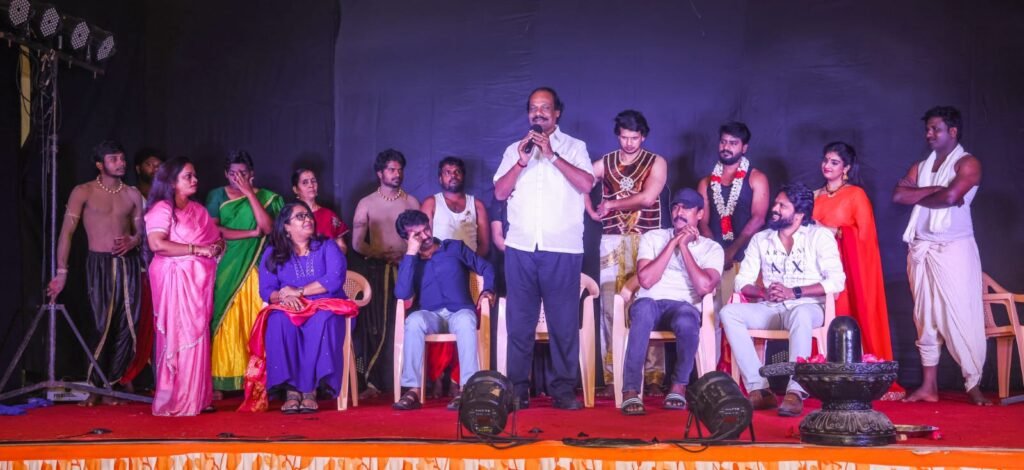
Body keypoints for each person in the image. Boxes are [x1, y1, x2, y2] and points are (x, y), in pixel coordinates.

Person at [494, 86, 594, 410]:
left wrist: (552, 155)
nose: (538, 113)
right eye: (533, 108)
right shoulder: (514, 150)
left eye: (545, 108)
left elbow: (587, 184)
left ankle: (563, 390)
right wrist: (521, 162)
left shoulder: (575, 147)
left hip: (562, 249)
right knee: (519, 323)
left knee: (563, 324)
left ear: (557, 113)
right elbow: (499, 193)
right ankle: (517, 389)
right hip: (521, 247)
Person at [720, 183, 845, 417]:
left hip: (808, 307)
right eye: (776, 204)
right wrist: (763, 293)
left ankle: (795, 391)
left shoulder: (819, 237)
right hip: (771, 307)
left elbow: (837, 282)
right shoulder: (761, 239)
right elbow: (742, 281)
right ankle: (759, 388)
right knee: (729, 313)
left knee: (800, 313)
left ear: (800, 214)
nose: (774, 209)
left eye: (782, 206)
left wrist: (794, 292)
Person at [893, 106, 989, 406]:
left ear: (953, 131)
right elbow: (898, 196)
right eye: (928, 129)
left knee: (961, 315)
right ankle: (929, 387)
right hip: (921, 248)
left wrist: (925, 193)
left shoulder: (968, 163)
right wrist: (937, 189)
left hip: (954, 248)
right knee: (925, 317)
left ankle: (973, 382)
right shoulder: (921, 166)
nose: (929, 134)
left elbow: (951, 197)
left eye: (935, 129)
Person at [46, 140, 146, 405]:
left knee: (128, 324)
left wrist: (134, 240)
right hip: (98, 264)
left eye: (122, 158)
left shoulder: (132, 194)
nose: (121, 163)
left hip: (127, 264)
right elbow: (67, 233)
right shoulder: (84, 191)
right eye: (114, 159)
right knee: (100, 325)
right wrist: (61, 272)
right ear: (100, 164)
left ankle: (115, 383)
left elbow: (142, 232)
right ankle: (95, 386)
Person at [585, 110, 669, 397]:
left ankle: (653, 376)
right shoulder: (606, 162)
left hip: (647, 240)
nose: (629, 143)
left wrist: (609, 205)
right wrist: (590, 209)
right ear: (617, 136)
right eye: (624, 137)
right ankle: (613, 377)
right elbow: (581, 182)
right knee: (611, 308)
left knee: (648, 304)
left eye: (634, 138)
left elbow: (647, 198)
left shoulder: (656, 162)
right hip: (612, 241)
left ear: (643, 137)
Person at [812, 141, 905, 400]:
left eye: (834, 162)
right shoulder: (815, 195)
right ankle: (823, 380)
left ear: (846, 168)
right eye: (825, 160)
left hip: (850, 271)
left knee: (847, 318)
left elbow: (865, 238)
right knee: (822, 320)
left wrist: (833, 231)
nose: (827, 165)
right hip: (819, 269)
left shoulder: (856, 195)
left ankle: (861, 380)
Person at [620, 189, 723, 416]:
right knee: (643, 310)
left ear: (700, 214)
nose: (679, 212)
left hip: (684, 305)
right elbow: (646, 280)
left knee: (687, 319)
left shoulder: (712, 248)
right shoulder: (653, 238)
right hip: (650, 302)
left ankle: (678, 387)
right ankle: (630, 390)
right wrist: (673, 243)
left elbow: (704, 288)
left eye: (686, 208)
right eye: (676, 207)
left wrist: (684, 247)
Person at [246, 202, 352, 413]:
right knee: (278, 321)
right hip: (290, 306)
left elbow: (334, 279)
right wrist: (283, 297)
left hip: (326, 304)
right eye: (300, 216)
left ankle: (310, 390)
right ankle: (292, 391)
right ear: (286, 226)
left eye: (308, 215)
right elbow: (267, 290)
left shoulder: (327, 246)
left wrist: (299, 292)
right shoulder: (273, 252)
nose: (308, 219)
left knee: (322, 320)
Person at [391, 210, 496, 411]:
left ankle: (468, 389)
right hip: (430, 315)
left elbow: (486, 268)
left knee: (466, 320)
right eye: (417, 234)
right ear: (407, 239)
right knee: (413, 321)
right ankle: (413, 390)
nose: (426, 236)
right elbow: (402, 293)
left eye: (426, 229)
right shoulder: (410, 261)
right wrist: (411, 253)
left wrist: (488, 290)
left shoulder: (454, 248)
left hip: (459, 312)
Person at [144, 157, 224, 416]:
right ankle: (176, 399)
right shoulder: (162, 209)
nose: (194, 180)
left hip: (197, 284)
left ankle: (197, 398)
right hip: (173, 280)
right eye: (188, 176)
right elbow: (157, 244)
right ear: (171, 182)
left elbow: (217, 240)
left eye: (194, 175)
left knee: (197, 335)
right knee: (179, 336)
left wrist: (216, 247)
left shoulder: (198, 210)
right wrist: (196, 250)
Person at [206, 150, 284, 392]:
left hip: (259, 266)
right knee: (226, 320)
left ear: (252, 174)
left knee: (255, 321)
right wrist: (250, 233)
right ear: (225, 174)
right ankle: (222, 379)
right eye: (232, 174)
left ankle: (258, 381)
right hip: (229, 265)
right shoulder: (217, 196)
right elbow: (214, 231)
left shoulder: (268, 198)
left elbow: (269, 228)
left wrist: (249, 193)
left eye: (242, 173)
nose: (237, 178)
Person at [420, 157, 491, 397]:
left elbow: (484, 244)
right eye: (448, 172)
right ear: (440, 177)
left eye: (457, 171)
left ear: (463, 175)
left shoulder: (476, 204)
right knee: (438, 317)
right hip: (438, 270)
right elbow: (422, 240)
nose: (453, 175)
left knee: (466, 322)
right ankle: (437, 376)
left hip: (469, 271)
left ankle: (457, 379)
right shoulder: (431, 203)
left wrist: (467, 262)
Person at [351, 149, 420, 397]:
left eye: (400, 169)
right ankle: (373, 383)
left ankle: (407, 381)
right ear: (380, 173)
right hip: (377, 273)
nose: (397, 173)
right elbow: (357, 243)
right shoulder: (367, 203)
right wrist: (382, 254)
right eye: (391, 169)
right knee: (377, 327)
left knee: (407, 325)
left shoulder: (411, 202)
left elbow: (422, 237)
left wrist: (406, 257)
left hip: (407, 272)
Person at [696, 122, 769, 322]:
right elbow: (702, 222)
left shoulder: (756, 178)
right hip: (714, 261)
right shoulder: (706, 182)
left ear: (744, 148)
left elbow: (758, 218)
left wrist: (731, 251)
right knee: (712, 318)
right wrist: (717, 253)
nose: (726, 147)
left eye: (733, 143)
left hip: (747, 260)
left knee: (747, 320)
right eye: (723, 142)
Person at [292, 168, 350, 254]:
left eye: (313, 181)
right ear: (296, 189)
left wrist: (331, 258)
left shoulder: (329, 215)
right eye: (305, 182)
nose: (311, 185)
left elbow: (341, 245)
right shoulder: (291, 217)